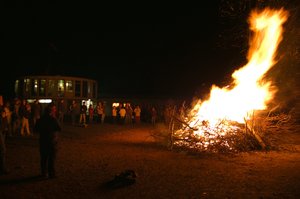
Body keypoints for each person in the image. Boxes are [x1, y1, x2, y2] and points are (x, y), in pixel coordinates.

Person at [34, 103, 61, 179]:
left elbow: (35, 129)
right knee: (51, 158)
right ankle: (51, 173)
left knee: (43, 158)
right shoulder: (53, 119)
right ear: (51, 112)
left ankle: (44, 173)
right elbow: (59, 128)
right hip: (52, 141)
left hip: (43, 141)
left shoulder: (40, 119)